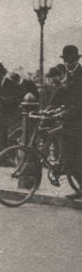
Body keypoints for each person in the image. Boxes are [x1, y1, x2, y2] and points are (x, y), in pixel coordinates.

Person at [54, 44, 82, 198]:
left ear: (76, 60)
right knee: (69, 157)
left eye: (70, 60)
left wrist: (64, 112)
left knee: (75, 157)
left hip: (79, 121)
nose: (67, 63)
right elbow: (60, 93)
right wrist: (50, 108)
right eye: (65, 60)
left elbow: (79, 103)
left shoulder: (80, 75)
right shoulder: (68, 75)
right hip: (69, 121)